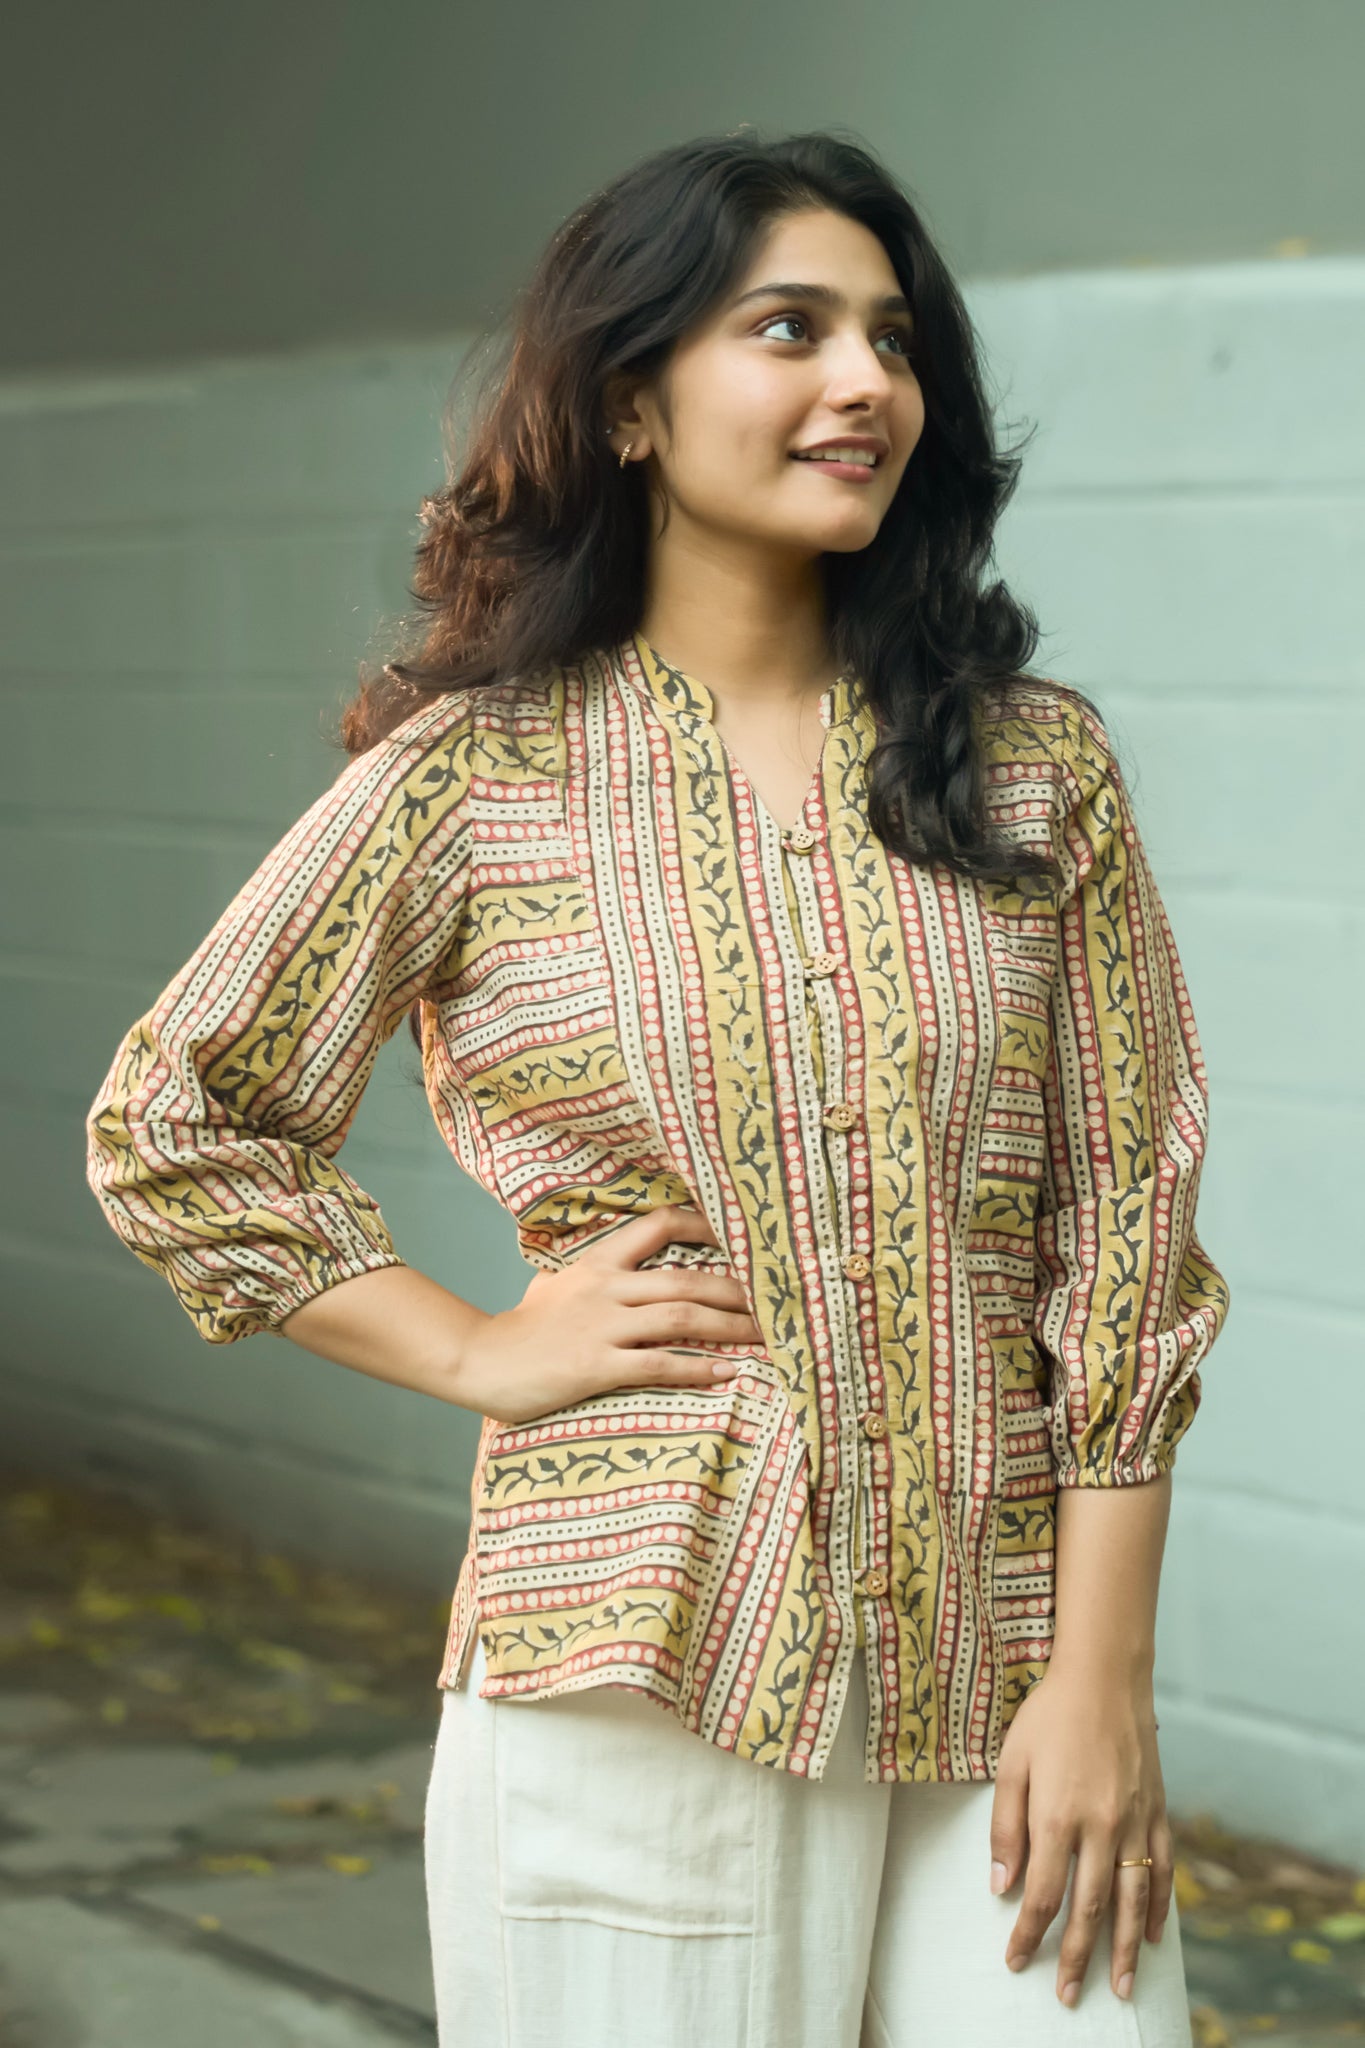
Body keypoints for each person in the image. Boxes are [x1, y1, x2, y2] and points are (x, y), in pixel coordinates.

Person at [85, 129, 1231, 2046]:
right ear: (629, 399)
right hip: (634, 1656)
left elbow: (1122, 1227)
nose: (863, 382)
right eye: (788, 328)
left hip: (1009, 1669)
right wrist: (472, 1350)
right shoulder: (470, 778)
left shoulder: (1034, 770)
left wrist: (1100, 1672)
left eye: (889, 337)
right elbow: (178, 1120)